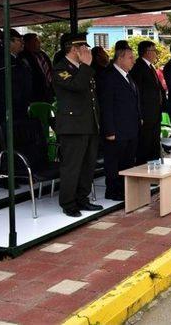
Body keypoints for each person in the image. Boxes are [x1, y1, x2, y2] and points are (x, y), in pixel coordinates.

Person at [52, 33, 103, 217]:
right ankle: (68, 203)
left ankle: (82, 198)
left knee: (88, 165)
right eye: (84, 48)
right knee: (72, 167)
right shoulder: (60, 69)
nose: (87, 51)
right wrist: (87, 66)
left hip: (89, 124)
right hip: (72, 127)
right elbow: (77, 87)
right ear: (74, 49)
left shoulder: (82, 69)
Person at [99, 43, 140, 201]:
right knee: (114, 161)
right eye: (130, 58)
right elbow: (106, 106)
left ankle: (125, 189)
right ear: (120, 57)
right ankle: (113, 191)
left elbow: (134, 100)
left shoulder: (127, 75)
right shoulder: (109, 76)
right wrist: (109, 131)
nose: (133, 61)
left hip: (130, 128)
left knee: (127, 160)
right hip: (116, 129)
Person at [130, 40, 165, 164]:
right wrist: (141, 114)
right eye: (153, 50)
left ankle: (155, 172)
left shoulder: (150, 67)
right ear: (146, 52)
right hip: (146, 114)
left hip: (155, 113)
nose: (156, 53)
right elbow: (137, 93)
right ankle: (144, 174)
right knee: (145, 145)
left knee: (154, 144)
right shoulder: (138, 67)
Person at [0, 29, 33, 125]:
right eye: (19, 40)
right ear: (8, 42)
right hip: (6, 110)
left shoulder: (20, 60)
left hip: (21, 109)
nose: (22, 43)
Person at [19, 33, 54, 103]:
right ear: (27, 43)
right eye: (35, 41)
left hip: (48, 91)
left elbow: (50, 70)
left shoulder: (43, 54)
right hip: (35, 93)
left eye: (38, 41)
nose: (39, 43)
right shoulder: (23, 57)